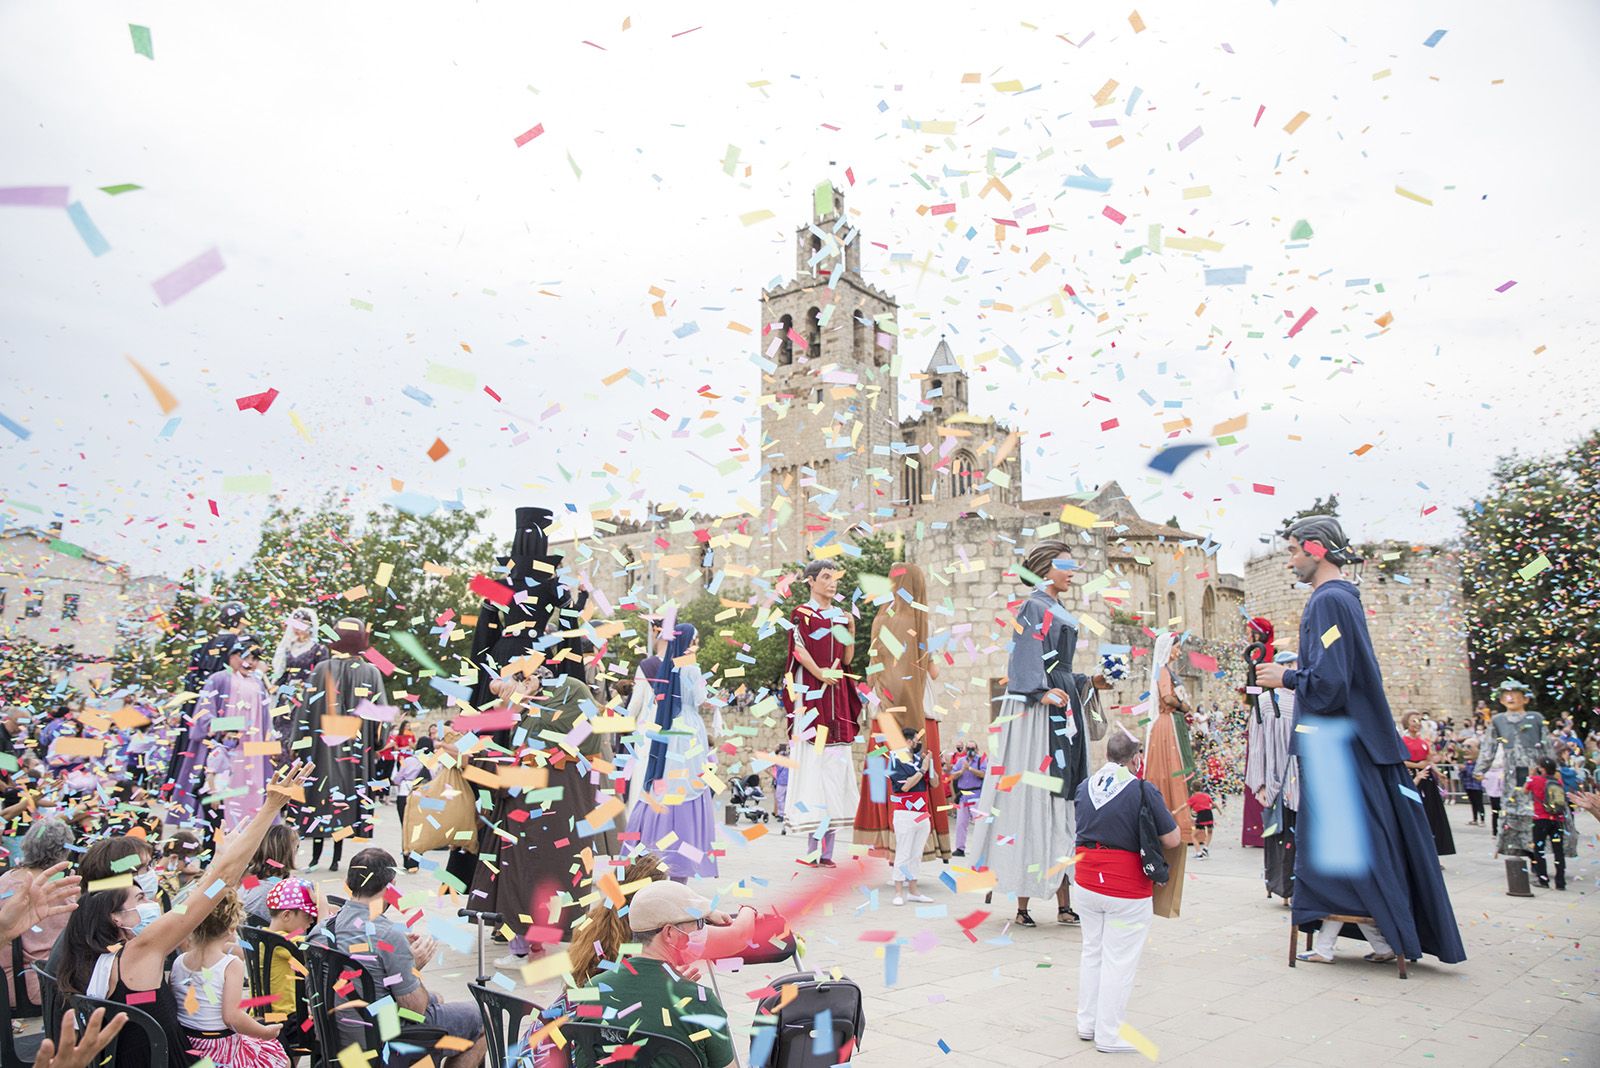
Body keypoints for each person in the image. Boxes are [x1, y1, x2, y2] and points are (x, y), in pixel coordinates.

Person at [1255, 515, 1464, 966]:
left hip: (1338, 746)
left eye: (1293, 551)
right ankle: (1373, 940)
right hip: (1348, 743)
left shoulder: (1328, 601)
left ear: (1315, 549)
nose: (1289, 561)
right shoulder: (1339, 599)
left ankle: (1368, 939)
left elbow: (1331, 684)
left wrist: (1284, 676)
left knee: (1340, 844)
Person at [55, 762, 312, 1068]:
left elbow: (211, 884)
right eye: (140, 886)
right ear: (116, 913)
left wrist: (217, 866)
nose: (148, 893)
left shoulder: (79, 936)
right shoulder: (142, 949)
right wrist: (272, 806)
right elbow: (223, 880)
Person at [970, 541, 1105, 928]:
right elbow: (1026, 657)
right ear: (1046, 568)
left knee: (1065, 800)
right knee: (1036, 797)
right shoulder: (1034, 606)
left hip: (1062, 703)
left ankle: (1065, 902)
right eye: (1065, 564)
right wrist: (1039, 690)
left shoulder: (1058, 609)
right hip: (1040, 711)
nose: (1072, 570)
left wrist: (1089, 680)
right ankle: (1023, 904)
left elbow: (1061, 668)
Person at [469, 656, 618, 968]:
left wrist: (545, 755)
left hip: (565, 800)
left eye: (521, 681)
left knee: (561, 871)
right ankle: (523, 946)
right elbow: (510, 744)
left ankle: (556, 942)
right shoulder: (526, 708)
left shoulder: (571, 689)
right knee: (519, 871)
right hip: (528, 800)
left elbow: (587, 732)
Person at [317, 848, 486, 1068]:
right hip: (381, 1039)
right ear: (391, 887)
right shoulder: (388, 934)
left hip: (337, 1034)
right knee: (481, 1017)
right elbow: (415, 1008)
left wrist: (397, 955)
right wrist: (414, 968)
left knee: (438, 999)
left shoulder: (322, 929)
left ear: (349, 882)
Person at [1073, 729, 1180, 1054]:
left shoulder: (1084, 786)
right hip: (1124, 884)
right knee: (1119, 960)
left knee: (1092, 951)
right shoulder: (1142, 789)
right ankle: (1108, 1033)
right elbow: (1172, 839)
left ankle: (1087, 1022)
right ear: (1135, 759)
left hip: (1087, 878)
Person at [581, 880, 737, 1068]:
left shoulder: (592, 989)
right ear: (670, 933)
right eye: (699, 922)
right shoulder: (700, 1002)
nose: (702, 930)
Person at [854, 563, 951, 862]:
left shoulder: (880, 619)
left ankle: (888, 847)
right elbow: (932, 672)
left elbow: (872, 668)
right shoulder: (924, 623)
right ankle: (917, 848)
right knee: (919, 774)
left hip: (884, 713)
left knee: (885, 778)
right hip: (921, 713)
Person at [780, 560, 863, 866]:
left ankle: (827, 851)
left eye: (835, 578)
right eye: (826, 577)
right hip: (812, 696)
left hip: (835, 699)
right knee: (813, 769)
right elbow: (798, 650)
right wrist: (821, 672)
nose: (832, 583)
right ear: (812, 582)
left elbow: (848, 657)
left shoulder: (840, 616)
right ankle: (812, 849)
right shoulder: (802, 613)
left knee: (834, 770)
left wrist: (851, 629)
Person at [290, 617, 385, 871]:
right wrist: (376, 743)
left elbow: (303, 711)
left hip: (322, 752)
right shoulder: (371, 672)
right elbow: (380, 720)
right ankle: (336, 858)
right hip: (355, 753)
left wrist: (297, 744)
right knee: (346, 803)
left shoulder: (321, 669)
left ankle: (316, 856)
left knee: (321, 799)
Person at [626, 623, 719, 879]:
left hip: (665, 730)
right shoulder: (691, 665)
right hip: (687, 730)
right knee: (689, 786)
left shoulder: (666, 664)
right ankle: (683, 859)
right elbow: (700, 698)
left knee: (663, 785)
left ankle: (652, 849)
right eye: (695, 639)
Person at [169, 886, 289, 1067]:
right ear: (232, 926)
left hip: (187, 1045)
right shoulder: (230, 964)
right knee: (279, 1059)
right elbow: (232, 1017)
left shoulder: (179, 961)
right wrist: (265, 1032)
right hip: (219, 1050)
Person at [172, 634, 274, 827]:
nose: (250, 663)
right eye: (246, 657)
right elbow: (203, 714)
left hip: (252, 749)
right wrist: (230, 726)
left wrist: (268, 741)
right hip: (224, 747)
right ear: (232, 657)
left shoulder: (258, 684)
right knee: (219, 795)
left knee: (251, 790)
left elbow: (265, 719)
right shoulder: (218, 679)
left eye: (254, 659)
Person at [1139, 632, 1197, 916]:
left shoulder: (1170, 671)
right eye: (1176, 646)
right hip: (1167, 728)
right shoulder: (1163, 671)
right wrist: (1185, 706)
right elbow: (1166, 697)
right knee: (1169, 774)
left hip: (1173, 727)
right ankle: (1171, 819)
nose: (1178, 651)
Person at [1245, 649, 1301, 903]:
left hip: (1304, 780)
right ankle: (1283, 888)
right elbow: (1257, 746)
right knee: (1281, 835)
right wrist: (1260, 784)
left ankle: (1302, 888)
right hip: (1279, 780)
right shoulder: (1267, 703)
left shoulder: (1306, 701)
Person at [1474, 680, 1552, 860]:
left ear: (1525, 699)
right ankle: (1518, 847)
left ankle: (1538, 850)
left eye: (1516, 694)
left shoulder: (1536, 718)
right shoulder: (1498, 720)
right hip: (1511, 770)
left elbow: (1547, 745)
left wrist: (1552, 769)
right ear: (1501, 700)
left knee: (1537, 806)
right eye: (1506, 695)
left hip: (1535, 766)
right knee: (1514, 806)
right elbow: (1489, 746)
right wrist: (1481, 769)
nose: (1511, 698)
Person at [0, 818, 75, 1006]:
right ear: (63, 851)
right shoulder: (59, 890)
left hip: (6, 985)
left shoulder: (5, 879)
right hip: (42, 986)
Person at [1239, 616, 1277, 848]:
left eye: (1249, 632)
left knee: (1258, 766)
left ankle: (1259, 830)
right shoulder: (1260, 654)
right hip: (1266, 712)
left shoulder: (1262, 656)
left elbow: (1256, 693)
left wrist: (1247, 693)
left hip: (1264, 716)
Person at [888, 726, 936, 905]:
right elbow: (905, 786)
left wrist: (929, 766)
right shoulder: (895, 758)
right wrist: (922, 770)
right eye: (916, 740)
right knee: (904, 852)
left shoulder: (918, 759)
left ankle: (914, 890)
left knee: (916, 854)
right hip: (904, 812)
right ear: (908, 741)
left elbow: (935, 783)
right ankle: (899, 892)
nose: (918, 744)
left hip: (922, 813)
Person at [1401, 712, 1456, 858]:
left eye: (1419, 720)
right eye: (1414, 720)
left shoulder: (1424, 742)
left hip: (1427, 779)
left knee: (1432, 813)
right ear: (1407, 723)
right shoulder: (1403, 741)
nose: (1417, 723)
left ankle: (1435, 851)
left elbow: (1430, 760)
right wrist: (1417, 765)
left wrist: (1439, 773)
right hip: (1412, 776)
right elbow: (1401, 760)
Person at [264, 877, 320, 1019]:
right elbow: (320, 944)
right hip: (285, 1020)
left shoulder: (264, 935)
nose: (312, 920)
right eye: (307, 915)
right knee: (329, 1027)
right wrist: (323, 909)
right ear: (287, 915)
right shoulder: (283, 942)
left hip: (267, 1015)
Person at [240, 823, 300, 923]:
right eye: (296, 847)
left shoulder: (251, 880)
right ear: (287, 853)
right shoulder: (281, 890)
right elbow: (299, 931)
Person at [1525, 757, 1567, 891]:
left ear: (1541, 768)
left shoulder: (1535, 780)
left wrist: (1531, 776)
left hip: (1540, 819)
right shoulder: (1558, 781)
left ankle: (1543, 879)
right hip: (1557, 820)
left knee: (1539, 849)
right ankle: (1560, 881)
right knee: (1558, 851)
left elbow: (1524, 791)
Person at [270, 606, 328, 697]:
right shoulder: (289, 647)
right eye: (294, 625)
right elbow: (285, 673)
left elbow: (322, 677)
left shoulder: (319, 649)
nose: (297, 629)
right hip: (287, 694)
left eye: (301, 626)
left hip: (307, 695)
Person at [950, 742, 986, 857]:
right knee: (961, 823)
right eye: (968, 748)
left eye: (973, 748)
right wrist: (962, 771)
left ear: (977, 749)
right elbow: (953, 775)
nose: (970, 750)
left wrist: (969, 768)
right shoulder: (961, 761)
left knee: (979, 822)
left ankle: (981, 848)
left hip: (975, 794)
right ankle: (960, 848)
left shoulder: (981, 760)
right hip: (963, 795)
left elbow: (983, 774)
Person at [1458, 739, 1486, 826]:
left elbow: (1475, 773)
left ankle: (1482, 819)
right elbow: (1462, 776)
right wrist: (1461, 771)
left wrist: (1466, 769)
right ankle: (1475, 819)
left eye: (1469, 747)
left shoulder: (1479, 763)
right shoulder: (1466, 762)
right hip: (1468, 785)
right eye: (1464, 747)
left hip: (1477, 786)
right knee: (1473, 803)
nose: (1465, 749)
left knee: (1479, 803)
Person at [1188, 788, 1214, 859]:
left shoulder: (1193, 798)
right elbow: (1213, 804)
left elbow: (1185, 806)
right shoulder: (1206, 795)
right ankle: (1205, 848)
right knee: (1210, 832)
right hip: (1209, 814)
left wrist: (1176, 811)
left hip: (1201, 815)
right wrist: (1220, 811)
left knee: (1193, 835)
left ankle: (1199, 853)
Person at [771, 744, 790, 834]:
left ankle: (781, 814)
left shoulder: (778, 758)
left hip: (781, 781)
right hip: (789, 781)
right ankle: (786, 814)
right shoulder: (789, 757)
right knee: (786, 799)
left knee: (779, 798)